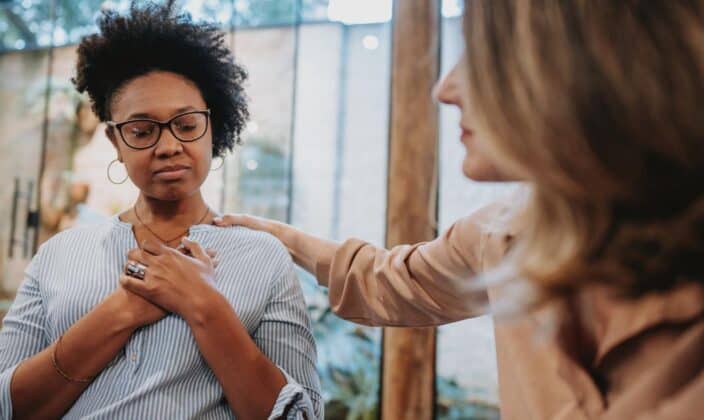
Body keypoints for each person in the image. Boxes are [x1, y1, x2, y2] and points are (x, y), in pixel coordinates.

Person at [216, 1, 704, 418]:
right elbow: (391, 281)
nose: (444, 89)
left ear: (586, 71)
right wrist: (278, 238)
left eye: (484, 59)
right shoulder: (502, 235)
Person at [0, 3, 321, 419]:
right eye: (142, 131)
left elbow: (301, 415)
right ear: (115, 141)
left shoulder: (264, 257)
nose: (168, 146)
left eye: (186, 125)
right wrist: (122, 311)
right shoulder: (60, 254)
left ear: (213, 127)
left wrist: (202, 304)